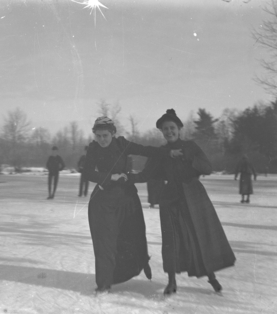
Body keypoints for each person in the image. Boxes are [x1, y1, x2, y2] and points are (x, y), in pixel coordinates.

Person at [128, 109, 236, 295]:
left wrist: (186, 155)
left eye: (172, 128)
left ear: (179, 129)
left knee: (198, 236)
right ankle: (172, 281)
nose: (169, 131)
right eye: (165, 129)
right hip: (170, 199)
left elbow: (207, 168)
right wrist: (125, 177)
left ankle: (211, 276)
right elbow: (146, 174)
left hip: (194, 197)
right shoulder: (160, 152)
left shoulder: (191, 146)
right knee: (171, 239)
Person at [83, 116, 163, 293]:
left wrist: (167, 151)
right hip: (103, 202)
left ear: (113, 133)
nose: (102, 139)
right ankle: (104, 284)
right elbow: (87, 172)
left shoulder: (122, 145)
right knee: (105, 243)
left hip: (127, 200)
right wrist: (109, 177)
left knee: (133, 237)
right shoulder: (93, 149)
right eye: (99, 136)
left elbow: (146, 150)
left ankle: (139, 264)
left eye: (105, 135)